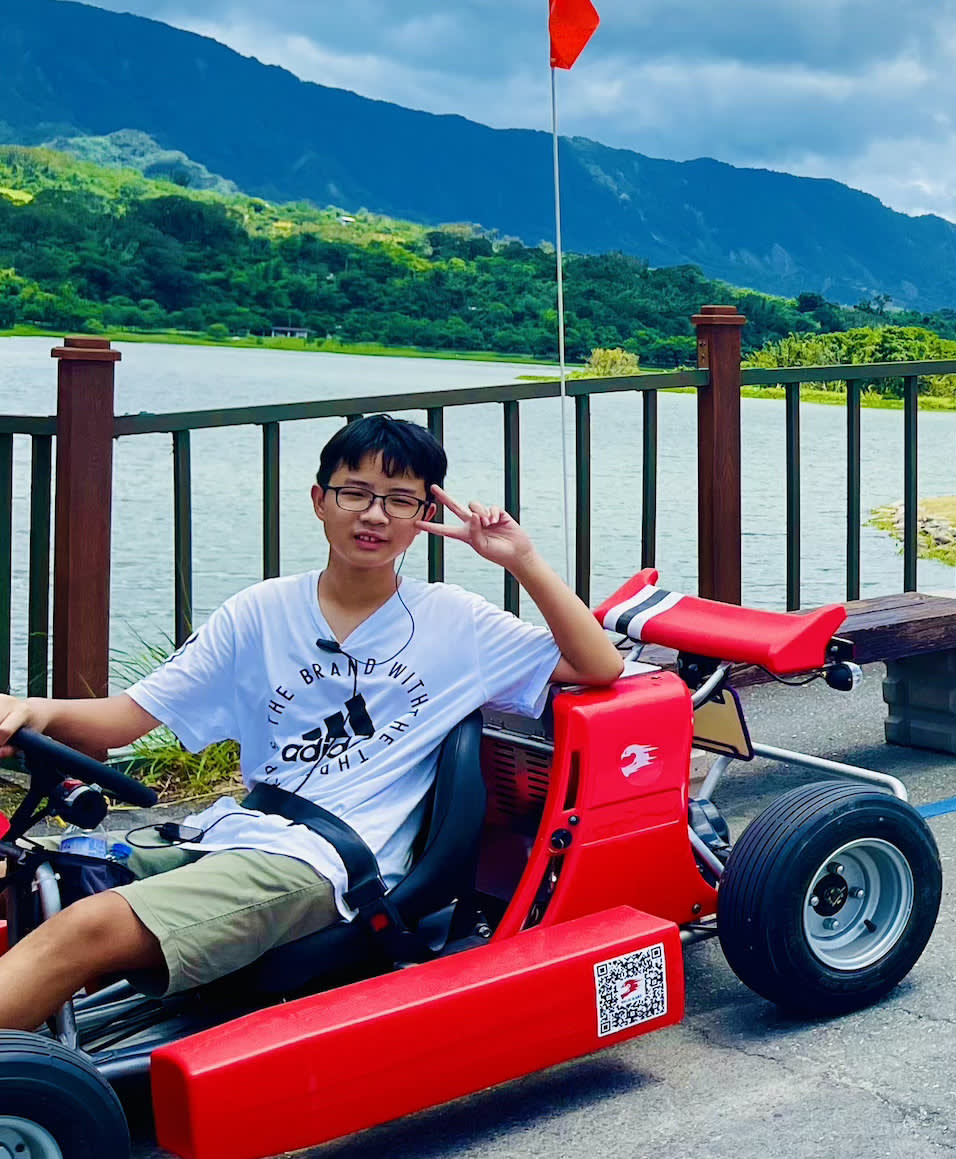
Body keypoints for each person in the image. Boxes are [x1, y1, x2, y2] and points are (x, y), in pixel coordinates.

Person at [0, 415, 623, 1030]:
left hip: (328, 865)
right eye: (355, 493)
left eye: (399, 500)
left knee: (90, 926)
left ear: (423, 518)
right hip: (234, 834)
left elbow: (598, 665)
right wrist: (34, 710)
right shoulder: (259, 611)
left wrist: (522, 560)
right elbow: (124, 720)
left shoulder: (456, 622)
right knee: (28, 879)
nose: (374, 516)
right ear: (320, 500)